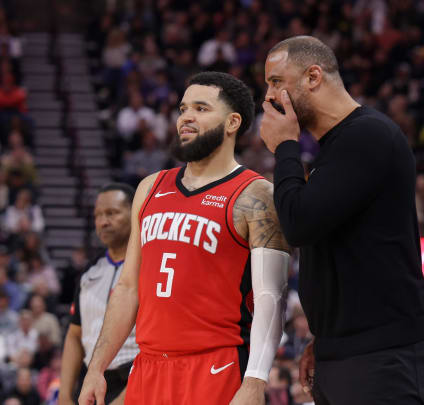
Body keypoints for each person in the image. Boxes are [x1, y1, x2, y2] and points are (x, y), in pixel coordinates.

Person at [78, 71, 291, 405]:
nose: (186, 117)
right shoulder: (150, 187)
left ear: (232, 122)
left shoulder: (257, 195)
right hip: (148, 367)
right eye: (182, 109)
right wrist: (96, 368)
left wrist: (254, 382)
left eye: (201, 108)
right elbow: (127, 287)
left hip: (216, 367)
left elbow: (272, 297)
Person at [259, 35, 424, 405]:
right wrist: (327, 339)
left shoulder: (367, 136)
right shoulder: (342, 145)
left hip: (382, 352)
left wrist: (286, 148)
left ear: (313, 77)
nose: (268, 97)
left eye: (276, 81)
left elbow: (299, 224)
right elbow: (338, 248)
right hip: (351, 350)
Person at [58, 183, 140, 405]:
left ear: (135, 213)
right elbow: (75, 334)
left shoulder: (151, 268)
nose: (103, 222)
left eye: (112, 213)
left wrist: (129, 396)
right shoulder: (89, 272)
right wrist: (64, 394)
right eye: (98, 215)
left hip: (135, 380)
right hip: (92, 381)